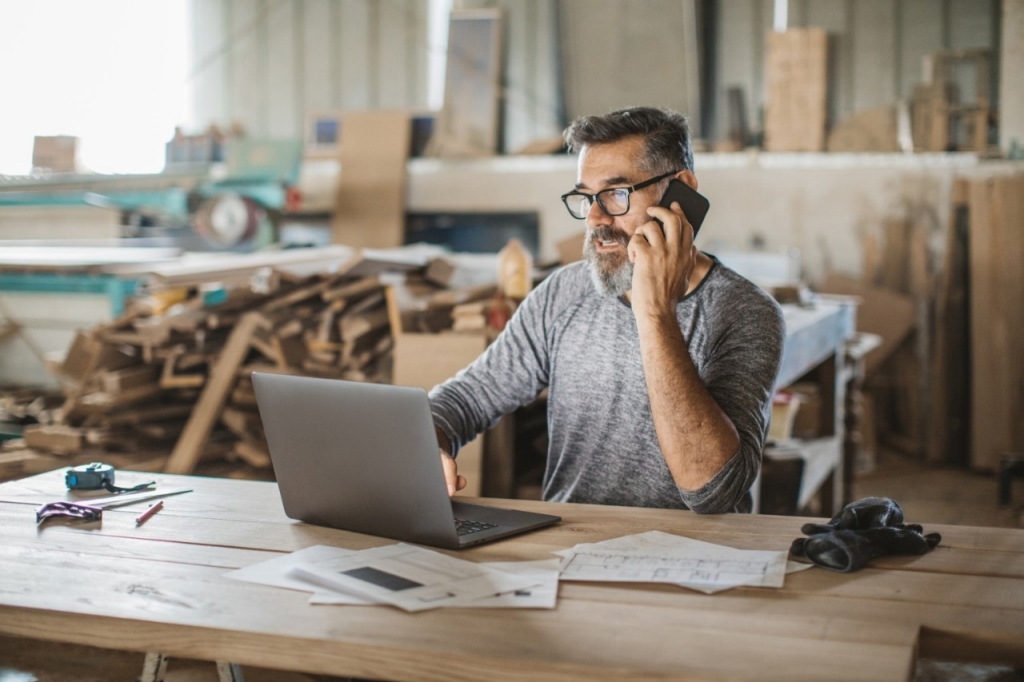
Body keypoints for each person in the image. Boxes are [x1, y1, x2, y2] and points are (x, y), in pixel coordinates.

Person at [429, 106, 785, 513]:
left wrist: (655, 312)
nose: (595, 218)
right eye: (585, 197)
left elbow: (712, 492)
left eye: (617, 194)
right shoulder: (564, 293)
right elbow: (466, 399)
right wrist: (430, 443)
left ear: (681, 192)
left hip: (692, 549)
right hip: (572, 540)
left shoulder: (746, 312)